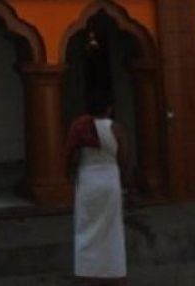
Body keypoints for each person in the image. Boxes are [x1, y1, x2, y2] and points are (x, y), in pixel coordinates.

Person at [66, 95, 130, 285]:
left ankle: (86, 273)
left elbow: (71, 154)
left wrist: (70, 176)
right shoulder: (116, 128)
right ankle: (114, 272)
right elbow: (124, 157)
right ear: (109, 109)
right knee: (112, 228)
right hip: (110, 179)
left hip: (88, 180)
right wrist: (126, 183)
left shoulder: (80, 127)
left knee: (85, 227)